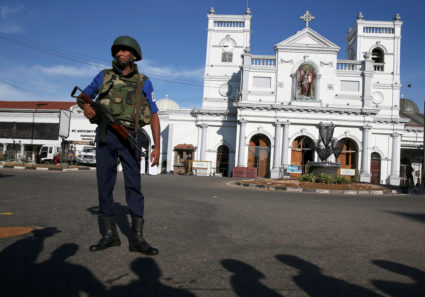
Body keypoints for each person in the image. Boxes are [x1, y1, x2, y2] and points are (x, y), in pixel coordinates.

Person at [77, 36, 160, 255]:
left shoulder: (144, 81)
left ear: (134, 55)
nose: (118, 54)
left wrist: (157, 146)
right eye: (116, 51)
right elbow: (84, 97)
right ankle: (109, 235)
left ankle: (137, 238)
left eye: (123, 51)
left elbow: (153, 114)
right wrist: (86, 108)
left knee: (134, 185)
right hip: (106, 134)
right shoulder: (104, 76)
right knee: (104, 184)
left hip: (130, 135)